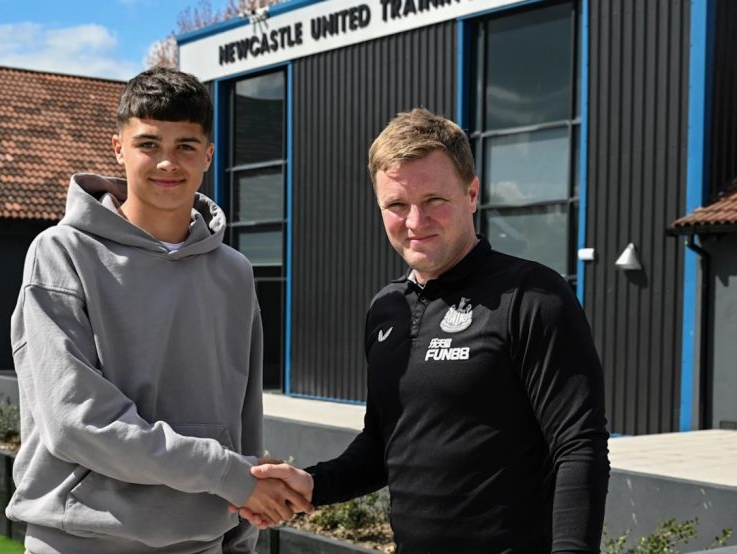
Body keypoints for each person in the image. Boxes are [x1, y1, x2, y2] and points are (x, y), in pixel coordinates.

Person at [238, 109, 610, 552]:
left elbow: (579, 446)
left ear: (472, 194)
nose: (415, 221)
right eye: (397, 205)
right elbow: (383, 447)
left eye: (434, 199)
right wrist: (311, 484)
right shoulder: (386, 309)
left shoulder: (532, 297)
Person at [5, 67, 311, 554]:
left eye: (186, 146)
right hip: (82, 537)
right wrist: (227, 474)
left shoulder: (233, 271)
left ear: (208, 156)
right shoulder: (61, 253)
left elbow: (242, 411)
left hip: (203, 539)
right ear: (118, 149)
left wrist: (242, 530)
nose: (167, 162)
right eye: (149, 144)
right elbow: (74, 422)